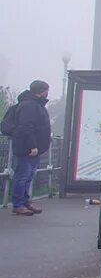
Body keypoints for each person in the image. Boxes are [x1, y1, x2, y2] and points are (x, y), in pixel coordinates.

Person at [9, 80, 51, 216]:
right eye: (46, 90)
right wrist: (32, 146)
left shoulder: (32, 104)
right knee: (23, 175)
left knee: (28, 176)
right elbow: (26, 126)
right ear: (41, 91)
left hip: (30, 147)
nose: (47, 93)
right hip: (27, 148)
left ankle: (25, 202)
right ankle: (19, 204)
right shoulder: (30, 106)